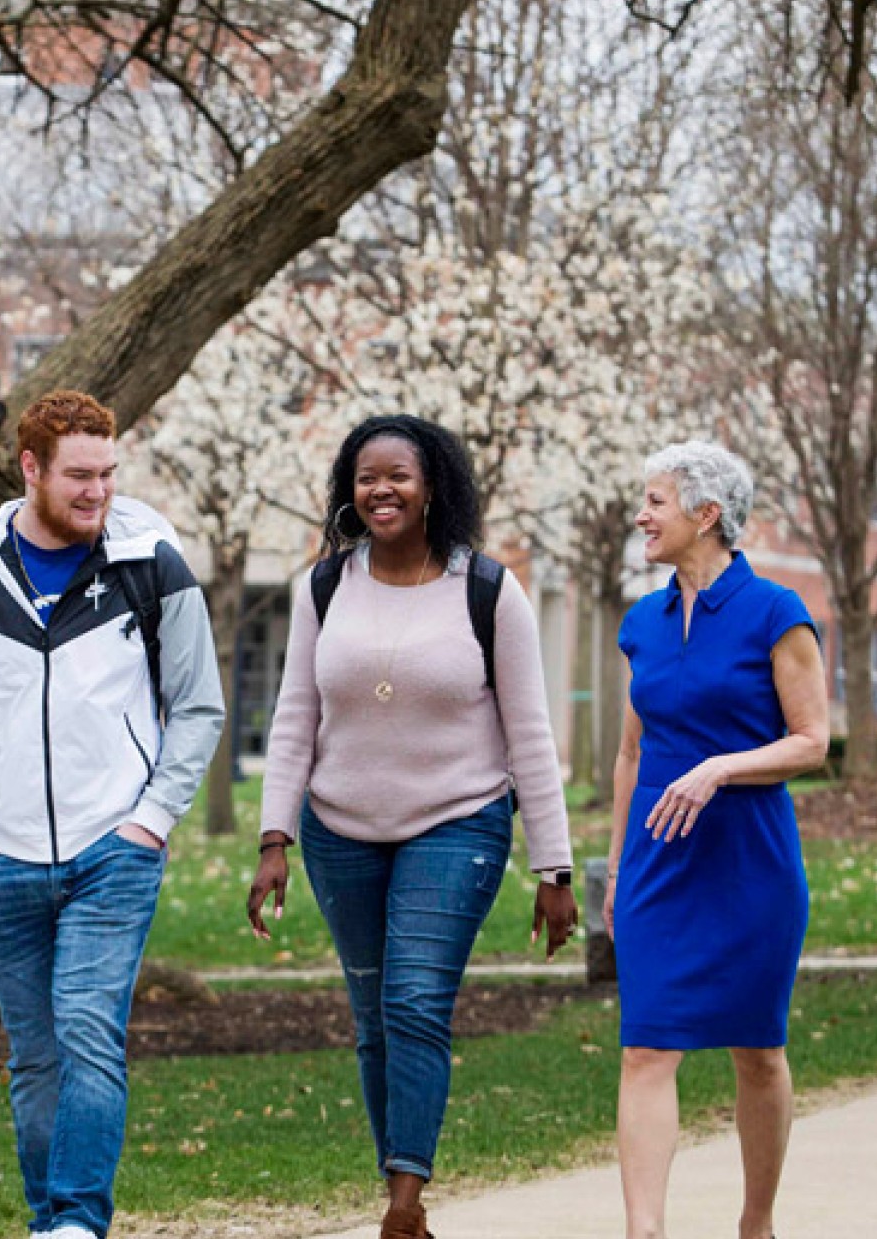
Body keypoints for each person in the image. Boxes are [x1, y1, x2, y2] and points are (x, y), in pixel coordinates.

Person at [246, 414, 580, 1239]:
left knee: (416, 1002)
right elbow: (294, 717)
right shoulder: (322, 585)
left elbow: (531, 732)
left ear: (434, 484)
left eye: (398, 475)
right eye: (366, 477)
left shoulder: (489, 591)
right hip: (337, 828)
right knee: (373, 1021)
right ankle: (402, 1190)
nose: (380, 490)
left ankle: (403, 1205)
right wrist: (273, 839)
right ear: (347, 491)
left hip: (456, 822)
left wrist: (556, 868)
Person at [0, 389, 225, 1239]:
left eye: (109, 474)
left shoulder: (151, 562)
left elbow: (198, 706)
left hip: (111, 851)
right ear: (30, 469)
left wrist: (151, 819)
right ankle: (53, 1220)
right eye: (79, 475)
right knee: (35, 1057)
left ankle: (78, 1222)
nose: (97, 492)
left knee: (87, 1031)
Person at [606, 442, 830, 1239]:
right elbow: (632, 750)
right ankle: (645, 1230)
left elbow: (813, 741)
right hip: (659, 864)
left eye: (656, 501)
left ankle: (756, 1223)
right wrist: (618, 862)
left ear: (707, 515)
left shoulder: (776, 612)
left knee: (757, 1052)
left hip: (750, 865)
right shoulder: (644, 621)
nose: (641, 515)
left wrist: (721, 768)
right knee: (646, 1049)